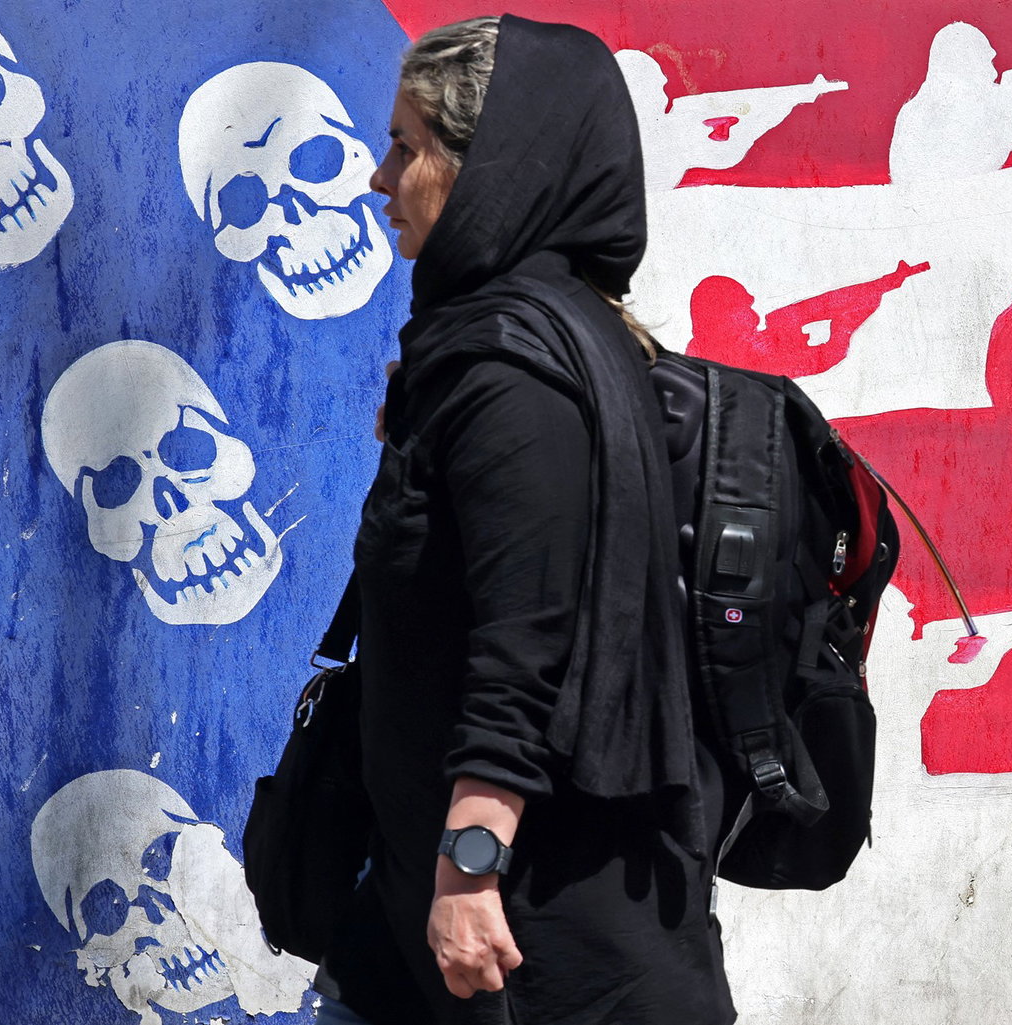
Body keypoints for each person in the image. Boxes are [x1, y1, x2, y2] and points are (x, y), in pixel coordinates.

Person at [311, 15, 736, 1025]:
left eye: (406, 148)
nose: (379, 179)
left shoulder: (512, 371)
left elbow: (527, 633)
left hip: (528, 932)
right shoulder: (526, 340)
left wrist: (468, 865)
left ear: (489, 170)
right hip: (428, 919)